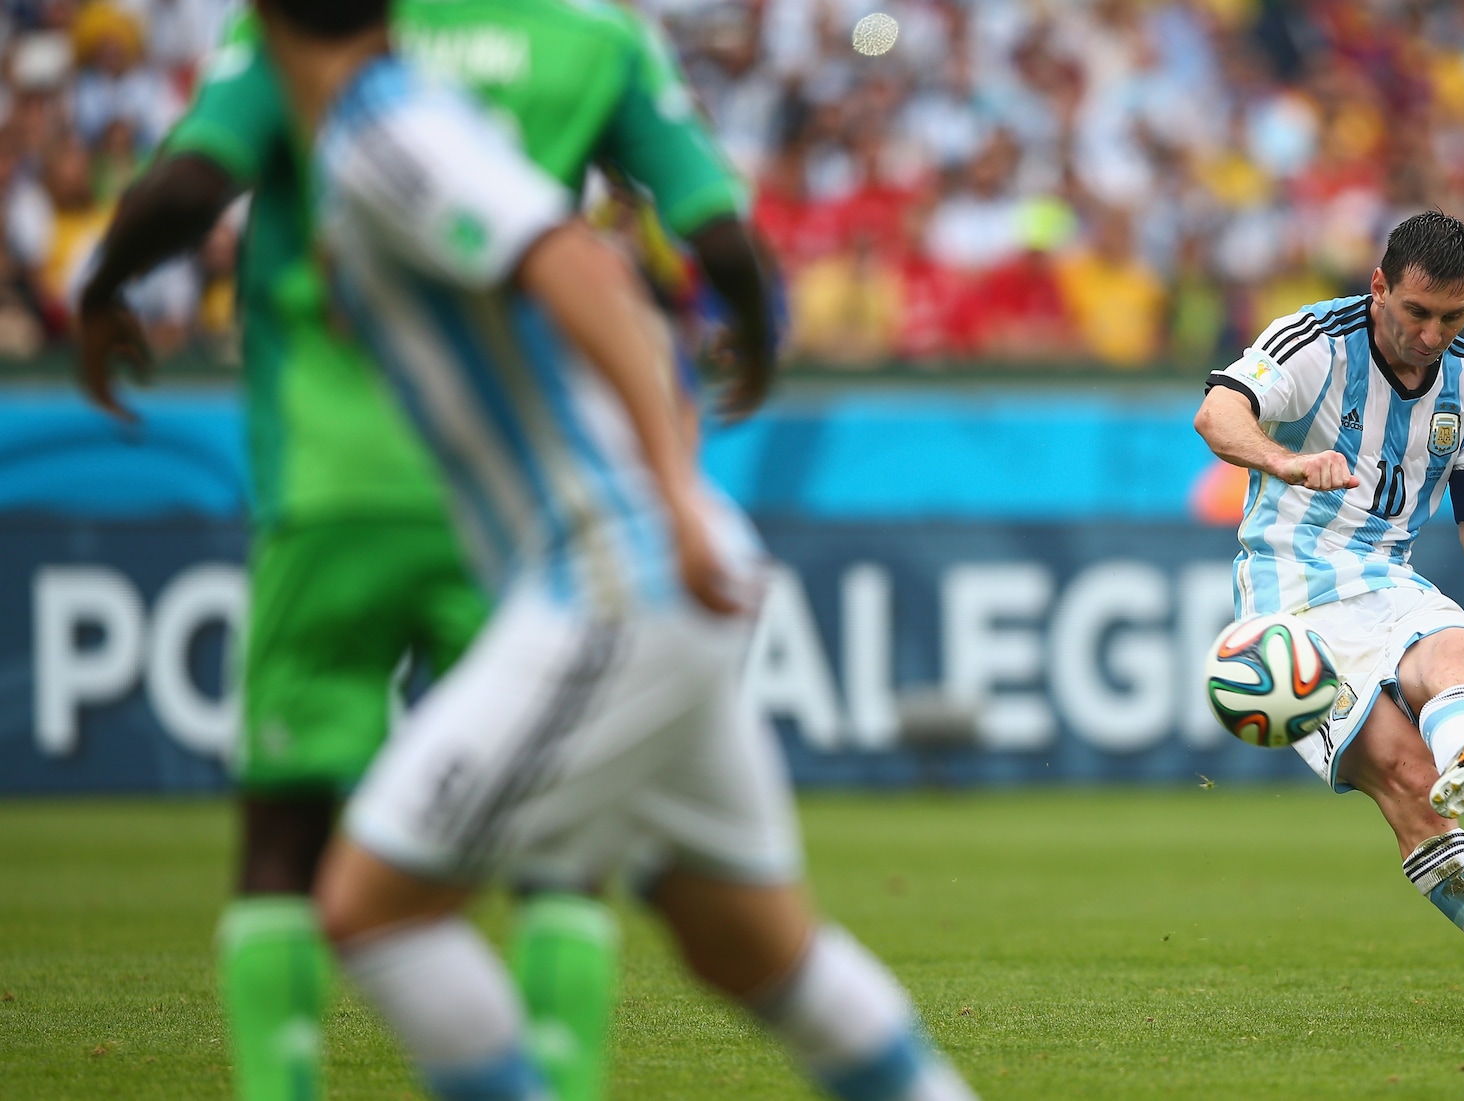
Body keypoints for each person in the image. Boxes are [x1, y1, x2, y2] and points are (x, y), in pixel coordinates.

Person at [250, 1, 981, 1100]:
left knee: (370, 910)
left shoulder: (384, 128)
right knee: (751, 945)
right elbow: (606, 282)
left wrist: (673, 499)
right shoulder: (404, 127)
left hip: (610, 579)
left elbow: (579, 269)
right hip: (644, 572)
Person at [73, 3, 776, 1099]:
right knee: (556, 844)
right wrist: (755, 334)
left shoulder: (316, 27)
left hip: (330, 483)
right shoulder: (593, 35)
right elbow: (717, 230)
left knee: (286, 832)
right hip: (510, 502)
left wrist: (104, 287)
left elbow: (190, 187)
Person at [1192, 210, 1464, 1027]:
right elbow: (1217, 413)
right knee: (1411, 788)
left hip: (1386, 578)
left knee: (1463, 651)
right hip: (1290, 605)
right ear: (1379, 284)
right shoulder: (1311, 343)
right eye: (1416, 311)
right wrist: (1287, 460)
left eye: (1452, 317)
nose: (1430, 333)